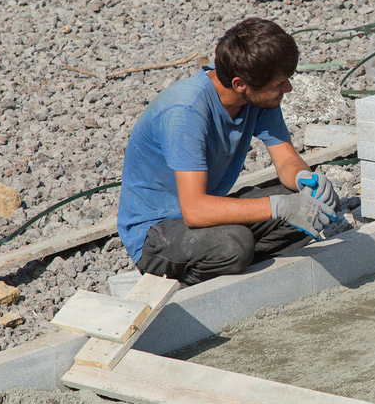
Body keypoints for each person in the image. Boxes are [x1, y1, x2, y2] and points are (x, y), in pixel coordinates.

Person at [117, 17, 339, 286]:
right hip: (158, 233)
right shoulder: (186, 112)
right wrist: (277, 208)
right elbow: (195, 210)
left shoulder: (258, 95)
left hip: (206, 219)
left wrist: (305, 179)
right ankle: (174, 287)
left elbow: (285, 159)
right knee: (234, 244)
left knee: (316, 207)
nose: (287, 89)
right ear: (239, 84)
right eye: (279, 84)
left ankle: (232, 266)